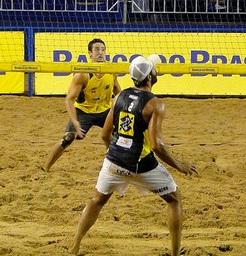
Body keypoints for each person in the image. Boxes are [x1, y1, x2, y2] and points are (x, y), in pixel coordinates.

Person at [69, 54, 198, 256]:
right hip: (141, 164)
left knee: (96, 200)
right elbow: (157, 145)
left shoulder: (119, 97)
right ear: (148, 78)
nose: (156, 72)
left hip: (113, 161)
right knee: (174, 199)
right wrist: (179, 165)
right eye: (153, 70)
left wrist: (115, 153)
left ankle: (75, 246)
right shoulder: (156, 104)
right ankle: (175, 253)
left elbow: (105, 134)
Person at [42, 38, 121, 172]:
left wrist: (118, 109)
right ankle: (45, 167)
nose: (100, 53)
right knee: (68, 137)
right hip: (84, 112)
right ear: (90, 54)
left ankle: (116, 165)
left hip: (105, 111)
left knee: (119, 136)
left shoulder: (111, 70)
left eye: (103, 50)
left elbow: (118, 91)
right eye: (96, 50)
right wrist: (75, 122)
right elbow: (69, 100)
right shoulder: (82, 74)